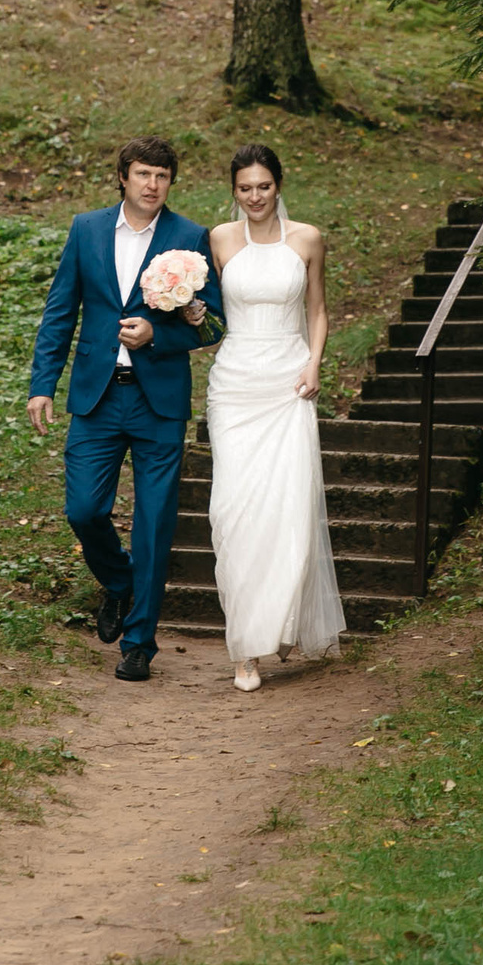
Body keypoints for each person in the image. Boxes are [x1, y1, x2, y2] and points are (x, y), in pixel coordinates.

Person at [27, 138, 225, 681]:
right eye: (142, 173)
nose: (152, 184)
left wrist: (157, 335)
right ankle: (119, 583)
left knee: (155, 523)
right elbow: (60, 310)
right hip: (97, 395)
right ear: (122, 176)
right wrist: (42, 384)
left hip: (157, 399)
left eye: (162, 175)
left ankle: (139, 642)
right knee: (84, 511)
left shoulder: (190, 238)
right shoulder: (86, 229)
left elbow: (213, 324)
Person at [204, 144, 345, 690]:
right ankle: (245, 645)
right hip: (235, 384)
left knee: (289, 509)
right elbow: (210, 316)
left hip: (288, 382)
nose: (255, 196)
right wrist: (191, 309)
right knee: (232, 512)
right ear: (233, 190)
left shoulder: (306, 238)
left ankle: (277, 625)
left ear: (278, 185)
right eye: (245, 188)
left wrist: (313, 363)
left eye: (263, 186)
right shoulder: (219, 239)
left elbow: (317, 309)